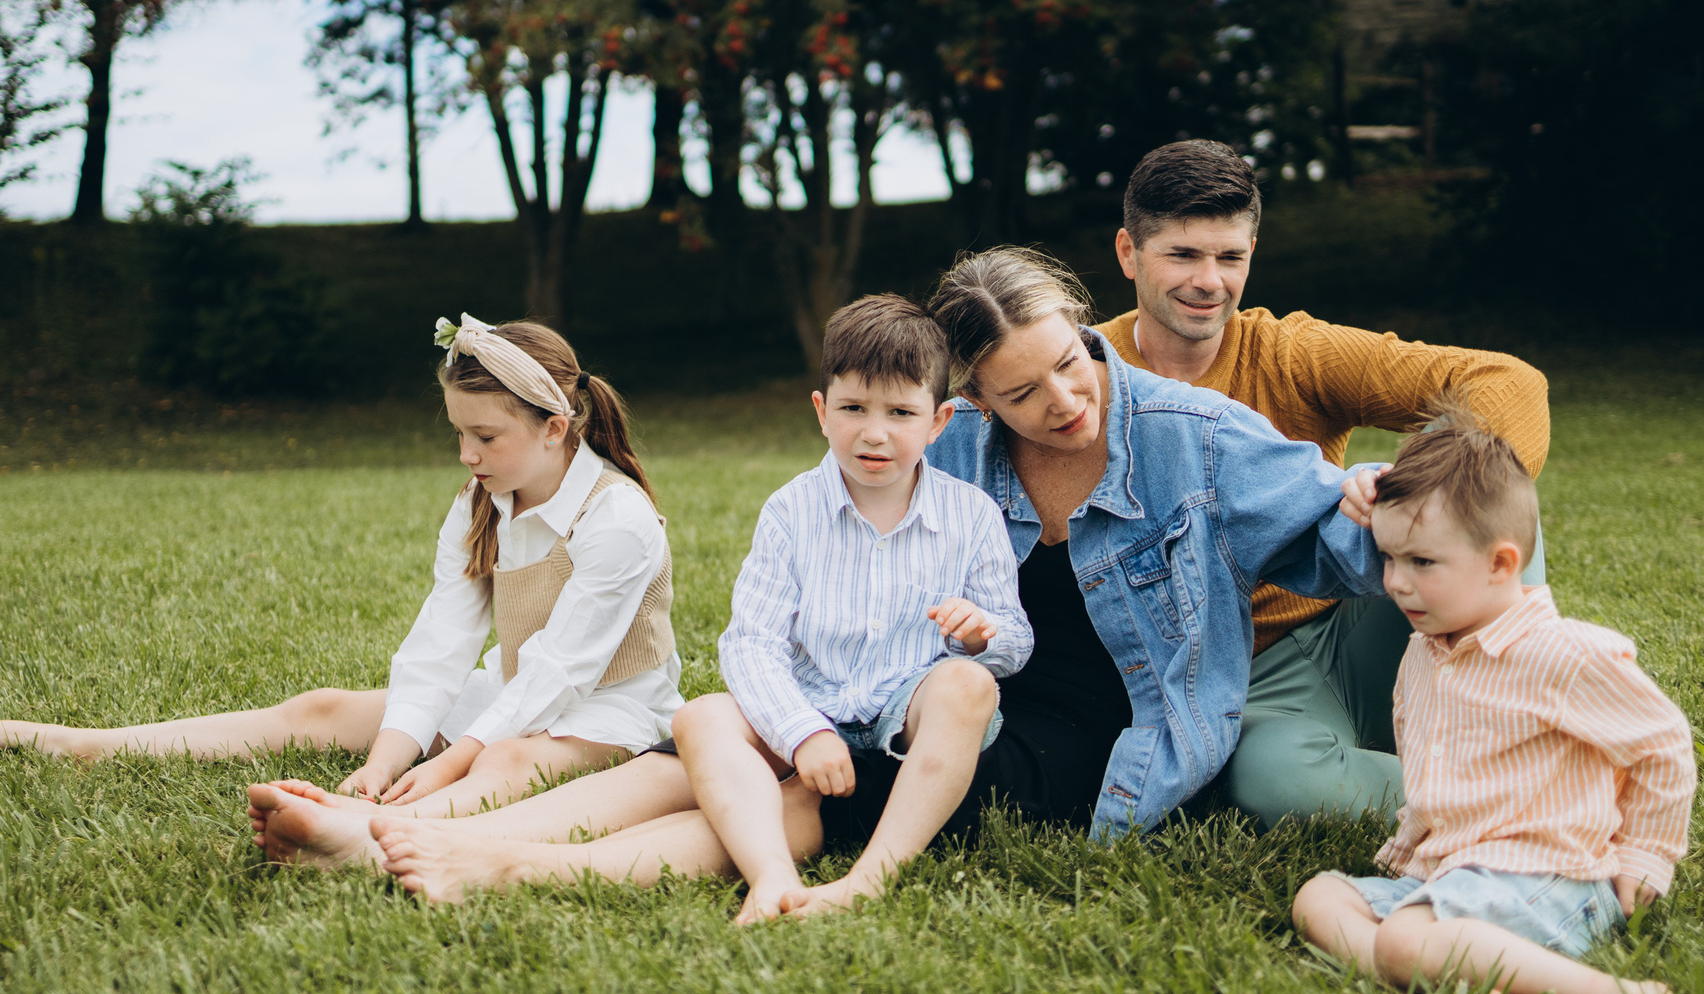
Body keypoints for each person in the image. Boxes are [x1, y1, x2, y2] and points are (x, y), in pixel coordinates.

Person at [325, 246, 1390, 902]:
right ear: (967, 401)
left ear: (1082, 328)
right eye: (1020, 394)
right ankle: (410, 833)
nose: (1063, 402)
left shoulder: (1196, 437)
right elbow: (828, 527)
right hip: (916, 698)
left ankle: (516, 866)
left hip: (1093, 740)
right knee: (718, 742)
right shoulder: (955, 448)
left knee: (818, 799)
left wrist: (1381, 497)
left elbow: (1338, 540)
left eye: (1070, 362)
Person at [0, 315, 682, 846]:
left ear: (554, 427)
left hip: (609, 711)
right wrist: (386, 756)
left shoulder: (616, 518)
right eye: (457, 431)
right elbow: (441, 641)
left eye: (485, 436)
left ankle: (359, 827)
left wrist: (457, 753)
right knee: (321, 707)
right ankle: (90, 743)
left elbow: (560, 673)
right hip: (513, 694)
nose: (466, 453)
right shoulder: (479, 504)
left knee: (508, 758)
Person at [1094, 140, 1551, 828]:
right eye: (1182, 255)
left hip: (1362, 618)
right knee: (1277, 784)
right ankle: (1516, 799)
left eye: (1230, 257)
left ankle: (1519, 730)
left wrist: (1424, 492)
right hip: (1240, 678)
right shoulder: (1080, 380)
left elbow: (1506, 382)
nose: (1209, 281)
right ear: (1129, 253)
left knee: (1493, 508)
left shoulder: (1288, 351)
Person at [1290, 403, 1694, 994]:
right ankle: (1444, 975)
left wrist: (1646, 857)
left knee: (1405, 939)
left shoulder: (1562, 652)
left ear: (1502, 564)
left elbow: (1661, 743)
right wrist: (1410, 850)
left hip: (1553, 876)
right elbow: (1437, 774)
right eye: (1390, 558)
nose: (1396, 583)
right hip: (1457, 876)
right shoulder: (1427, 652)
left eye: (1421, 563)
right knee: (1319, 897)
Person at [673, 294, 1030, 922]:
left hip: (906, 709)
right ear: (821, 410)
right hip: (813, 704)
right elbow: (751, 643)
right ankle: (772, 878)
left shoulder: (970, 516)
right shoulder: (790, 511)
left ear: (940, 421)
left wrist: (982, 636)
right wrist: (801, 731)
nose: (874, 431)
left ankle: (869, 878)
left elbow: (1015, 641)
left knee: (968, 686)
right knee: (701, 717)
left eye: (900, 412)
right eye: (854, 408)